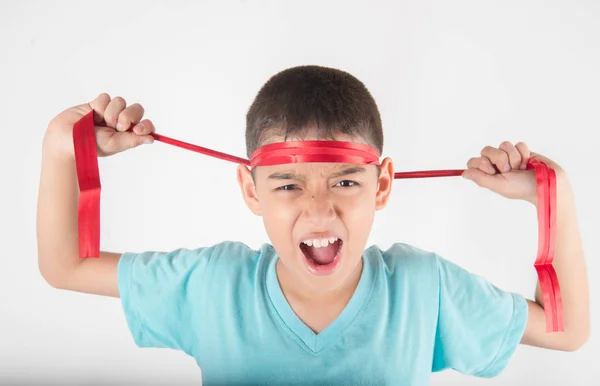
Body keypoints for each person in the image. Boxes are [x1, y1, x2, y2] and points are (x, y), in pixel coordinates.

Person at [37, 65, 589, 385]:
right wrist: (65, 147)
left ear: (383, 185)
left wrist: (551, 192)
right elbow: (66, 266)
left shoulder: (426, 288)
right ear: (251, 189)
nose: (320, 211)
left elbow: (566, 332)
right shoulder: (210, 285)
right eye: (288, 185)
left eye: (346, 182)